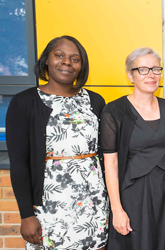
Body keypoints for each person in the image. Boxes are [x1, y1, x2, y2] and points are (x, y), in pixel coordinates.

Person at [6, 35, 108, 249]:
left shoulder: (95, 101)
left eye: (74, 59)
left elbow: (106, 154)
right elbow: (19, 164)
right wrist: (26, 215)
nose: (66, 62)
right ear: (46, 60)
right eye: (59, 55)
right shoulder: (24, 102)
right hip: (49, 207)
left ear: (82, 66)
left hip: (93, 202)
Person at [101, 47, 165, 250]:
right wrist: (117, 210)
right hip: (131, 197)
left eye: (156, 69)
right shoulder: (114, 111)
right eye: (143, 70)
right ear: (130, 75)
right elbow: (110, 164)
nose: (151, 75)